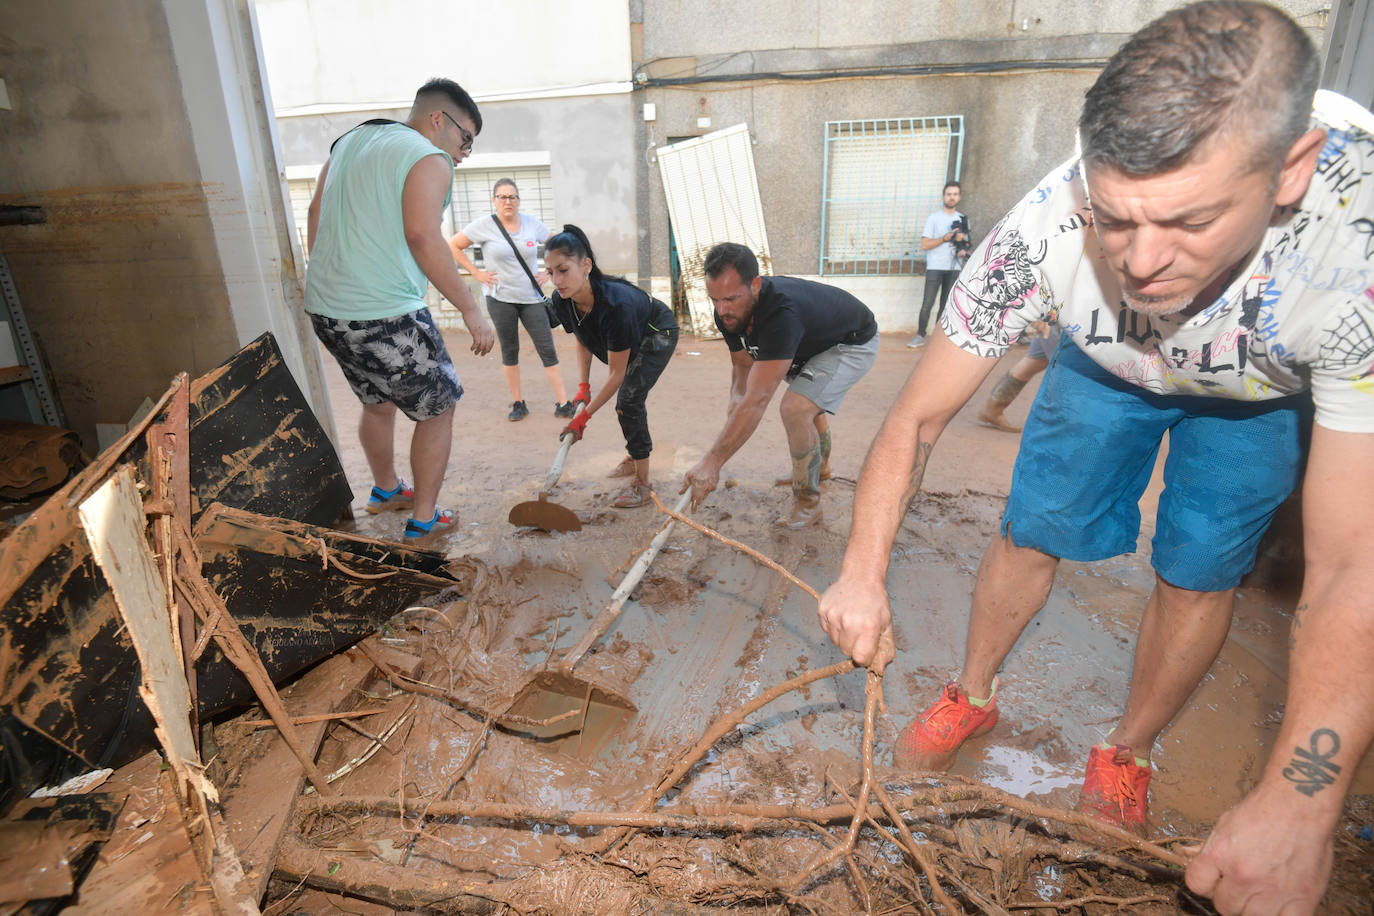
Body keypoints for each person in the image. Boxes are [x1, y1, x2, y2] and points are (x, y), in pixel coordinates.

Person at [815, 3, 1374, 913]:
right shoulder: (1042, 230)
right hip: (1107, 365)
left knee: (1200, 568)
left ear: (1292, 171)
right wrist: (861, 571)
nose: (1143, 264)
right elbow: (914, 420)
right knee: (1034, 526)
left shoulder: (1355, 259)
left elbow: (1354, 564)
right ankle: (972, 693)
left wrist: (1303, 797)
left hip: (1259, 394)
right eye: (1115, 220)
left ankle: (1128, 750)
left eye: (1189, 221)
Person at [304, 78, 495, 540]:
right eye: (465, 138)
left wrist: (332, 280)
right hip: (385, 312)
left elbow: (314, 213)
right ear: (438, 119)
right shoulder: (429, 157)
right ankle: (424, 519)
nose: (465, 152)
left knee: (378, 401)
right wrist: (470, 309)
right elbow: (423, 236)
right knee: (438, 409)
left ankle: (386, 489)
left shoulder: (351, 141)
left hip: (328, 309)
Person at [683, 243, 879, 529]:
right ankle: (819, 470)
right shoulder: (728, 313)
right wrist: (736, 402)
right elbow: (742, 365)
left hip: (850, 342)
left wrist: (713, 462)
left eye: (731, 299)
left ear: (756, 285)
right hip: (807, 343)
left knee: (796, 408)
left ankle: (808, 505)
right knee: (804, 401)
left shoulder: (782, 314)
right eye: (714, 299)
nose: (722, 309)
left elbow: (758, 400)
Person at [545, 225, 678, 508]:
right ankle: (636, 455)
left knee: (628, 401)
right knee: (628, 399)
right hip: (629, 333)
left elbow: (617, 374)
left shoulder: (616, 305)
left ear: (586, 265)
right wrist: (583, 386)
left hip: (656, 331)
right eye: (550, 272)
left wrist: (583, 417)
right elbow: (583, 338)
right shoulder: (564, 299)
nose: (556, 280)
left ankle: (643, 484)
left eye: (563, 270)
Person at [448, 179, 573, 422]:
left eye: (512, 197)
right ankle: (518, 403)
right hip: (500, 298)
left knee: (547, 348)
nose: (508, 201)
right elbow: (453, 246)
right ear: (494, 200)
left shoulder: (531, 223)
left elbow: (560, 245)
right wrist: (475, 273)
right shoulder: (484, 225)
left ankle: (563, 403)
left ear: (518, 200)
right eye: (503, 197)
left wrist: (549, 272)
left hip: (531, 298)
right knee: (510, 349)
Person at [907, 181, 970, 348]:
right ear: (943, 197)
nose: (952, 197)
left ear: (959, 197)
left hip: (954, 267)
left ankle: (936, 338)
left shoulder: (963, 219)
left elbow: (966, 243)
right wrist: (945, 238)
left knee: (945, 306)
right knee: (927, 303)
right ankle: (920, 335)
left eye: (955, 194)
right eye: (949, 194)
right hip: (935, 267)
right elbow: (925, 244)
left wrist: (962, 247)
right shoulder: (933, 219)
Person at [977, 323, 1055, 433]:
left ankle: (993, 410)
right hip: (1060, 323)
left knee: (1035, 361)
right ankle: (1060, 426)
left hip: (1053, 322)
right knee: (1065, 370)